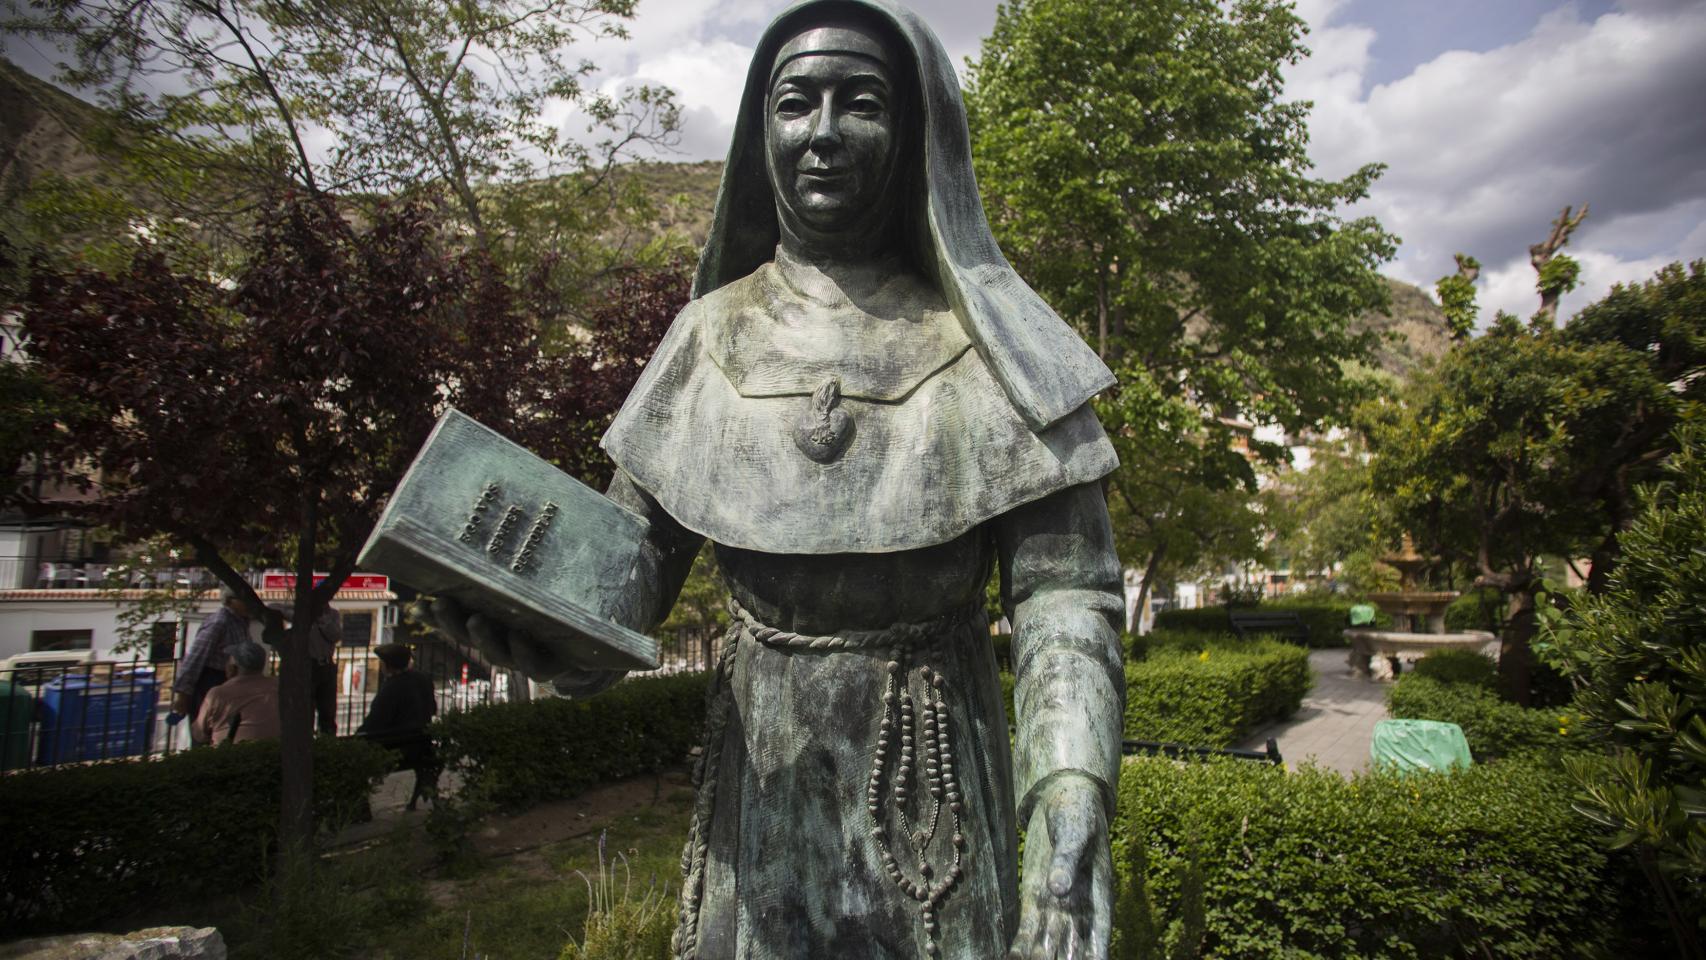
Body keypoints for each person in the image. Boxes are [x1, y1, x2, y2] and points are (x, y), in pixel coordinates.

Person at [432, 3, 1124, 957]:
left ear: (915, 131)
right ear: (762, 133)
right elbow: (627, 575)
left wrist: (1070, 787)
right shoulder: (708, 336)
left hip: (935, 792)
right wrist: (556, 638)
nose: (823, 132)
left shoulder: (999, 349)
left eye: (861, 103)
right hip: (759, 799)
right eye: (796, 102)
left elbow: (1067, 596)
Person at [356, 642, 437, 810]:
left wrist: (358, 736)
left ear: (387, 665)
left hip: (398, 749)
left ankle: (360, 808)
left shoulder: (392, 687)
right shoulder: (423, 679)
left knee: (353, 756)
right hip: (422, 745)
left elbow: (375, 723)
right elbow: (433, 709)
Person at [171, 585, 257, 727]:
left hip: (231, 681)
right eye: (244, 599)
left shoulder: (241, 622)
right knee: (207, 727)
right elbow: (195, 658)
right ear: (230, 601)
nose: (249, 603)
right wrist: (183, 695)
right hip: (210, 681)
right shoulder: (219, 622)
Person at [191, 640, 280, 745]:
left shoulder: (218, 694)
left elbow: (199, 734)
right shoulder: (278, 687)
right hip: (274, 750)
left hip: (230, 752)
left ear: (233, 668)